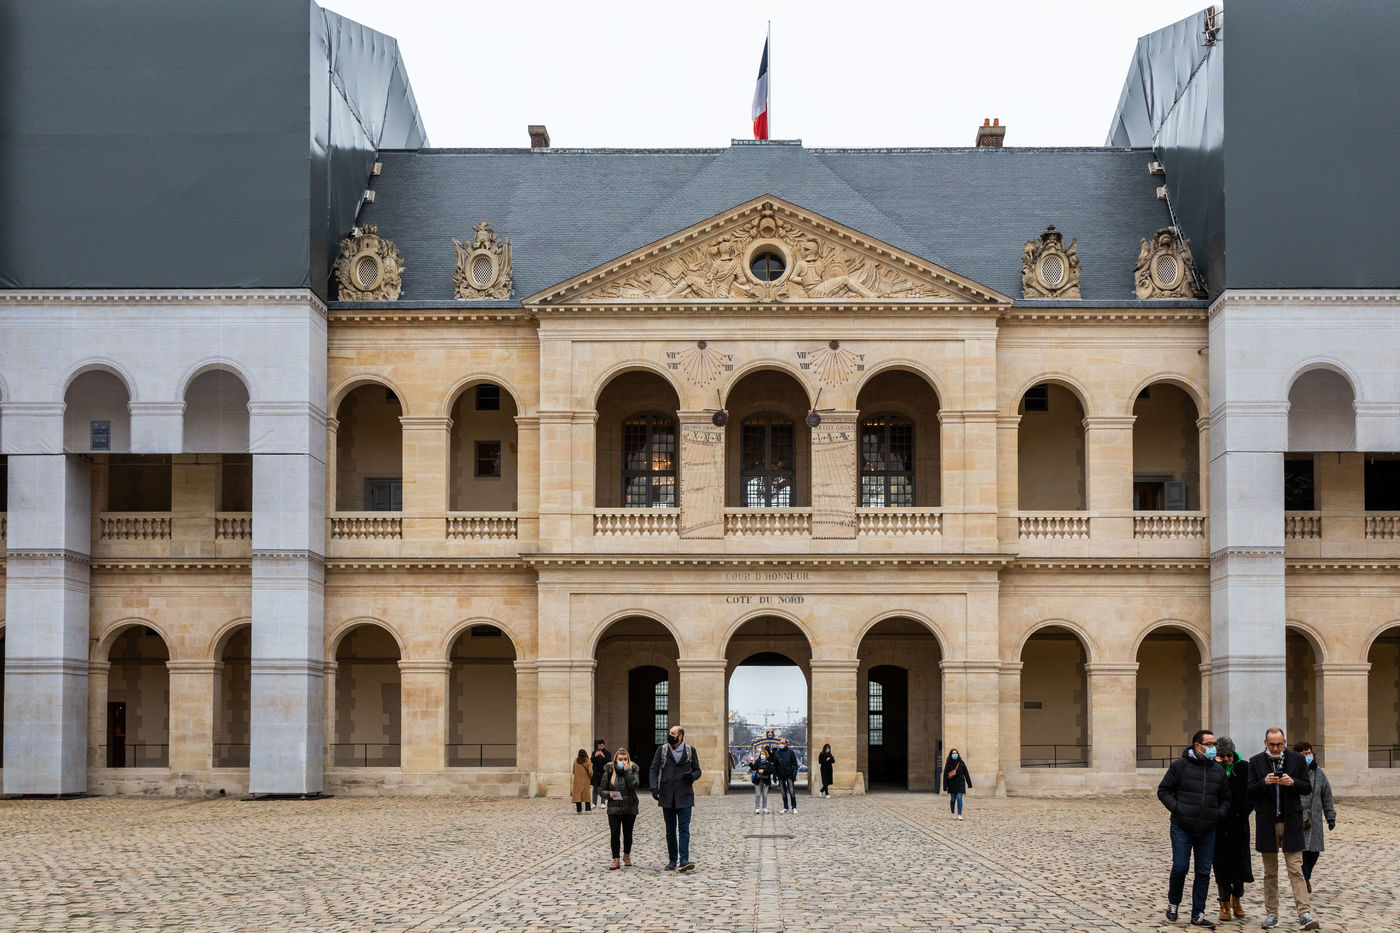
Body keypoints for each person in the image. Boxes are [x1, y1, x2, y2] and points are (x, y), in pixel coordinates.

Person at [1157, 729, 1230, 928]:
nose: (1213, 748)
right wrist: (1177, 808)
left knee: (1203, 872)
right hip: (1182, 826)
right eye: (1209, 744)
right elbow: (1164, 791)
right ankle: (1173, 903)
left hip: (1207, 828)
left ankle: (1198, 912)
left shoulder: (1218, 771)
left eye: (1214, 744)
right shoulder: (1180, 766)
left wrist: (1218, 814)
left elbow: (1226, 798)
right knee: (1180, 866)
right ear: (1198, 746)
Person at [1247, 727, 1319, 930]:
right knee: (1270, 873)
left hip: (1292, 823)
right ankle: (1271, 913)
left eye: (1279, 744)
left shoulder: (1297, 760)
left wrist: (1292, 782)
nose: (1276, 748)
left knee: (1296, 870)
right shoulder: (1256, 762)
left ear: (1285, 742)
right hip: (1267, 823)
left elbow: (1307, 786)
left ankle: (1304, 913)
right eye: (1272, 745)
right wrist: (1264, 782)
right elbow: (1249, 790)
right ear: (1265, 743)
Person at [1211, 736, 1254, 923]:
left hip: (1238, 823)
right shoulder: (1213, 769)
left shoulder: (1244, 767)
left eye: (1229, 755)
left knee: (1240, 864)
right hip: (1220, 825)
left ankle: (1237, 898)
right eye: (1222, 756)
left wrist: (1245, 810)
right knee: (1221, 865)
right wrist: (1217, 766)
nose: (1226, 759)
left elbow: (1251, 793)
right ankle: (1224, 902)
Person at [649, 724, 701, 872]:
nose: (670, 735)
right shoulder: (662, 750)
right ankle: (672, 860)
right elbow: (654, 768)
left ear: (680, 736)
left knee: (684, 828)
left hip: (685, 795)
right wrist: (653, 787)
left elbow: (698, 771)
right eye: (670, 733)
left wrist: (692, 776)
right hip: (667, 795)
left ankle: (684, 859)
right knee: (670, 830)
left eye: (673, 733)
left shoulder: (690, 751)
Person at [1293, 741, 1335, 895]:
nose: (1307, 756)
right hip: (1298, 818)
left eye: (1309, 753)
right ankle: (1303, 881)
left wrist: (1330, 816)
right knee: (1302, 852)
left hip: (1315, 819)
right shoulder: (1293, 772)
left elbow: (1327, 795)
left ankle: (1307, 877)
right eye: (1304, 754)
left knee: (1314, 853)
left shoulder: (1319, 773)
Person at [602, 746, 640, 870]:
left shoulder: (633, 769)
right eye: (620, 759)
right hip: (614, 808)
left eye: (625, 759)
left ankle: (626, 855)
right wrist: (609, 795)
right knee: (615, 834)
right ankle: (616, 859)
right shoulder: (609, 771)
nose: (623, 762)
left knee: (628, 834)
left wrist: (627, 771)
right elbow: (602, 790)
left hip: (629, 807)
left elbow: (634, 785)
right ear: (615, 760)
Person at [943, 748, 972, 820]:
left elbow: (966, 773)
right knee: (953, 799)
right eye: (953, 753)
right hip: (951, 784)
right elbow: (945, 775)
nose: (955, 754)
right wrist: (945, 786)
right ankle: (953, 812)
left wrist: (969, 784)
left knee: (959, 798)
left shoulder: (961, 763)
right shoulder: (948, 763)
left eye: (956, 753)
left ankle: (959, 814)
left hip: (960, 784)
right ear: (951, 755)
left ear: (958, 754)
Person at [772, 737, 799, 813]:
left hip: (789, 774)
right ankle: (785, 807)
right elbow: (775, 765)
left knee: (792, 792)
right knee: (783, 793)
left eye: (782, 743)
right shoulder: (777, 753)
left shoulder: (790, 752)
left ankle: (794, 807)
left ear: (786, 744)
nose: (781, 744)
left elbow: (795, 764)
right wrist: (774, 775)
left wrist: (794, 774)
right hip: (781, 775)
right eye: (780, 743)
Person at [750, 746, 774, 813]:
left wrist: (764, 771)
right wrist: (750, 763)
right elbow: (754, 768)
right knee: (758, 794)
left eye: (763, 754)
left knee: (765, 795)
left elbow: (771, 771)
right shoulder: (758, 762)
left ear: (766, 755)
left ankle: (764, 808)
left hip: (766, 780)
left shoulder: (769, 763)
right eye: (761, 754)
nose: (762, 755)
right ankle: (757, 808)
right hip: (758, 780)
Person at [591, 738, 610, 810]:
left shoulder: (607, 753)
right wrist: (595, 756)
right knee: (595, 788)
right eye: (599, 746)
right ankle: (594, 803)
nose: (600, 747)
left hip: (603, 773)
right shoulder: (594, 752)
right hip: (596, 773)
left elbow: (609, 761)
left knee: (603, 788)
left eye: (601, 746)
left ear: (604, 745)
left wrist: (603, 756)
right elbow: (591, 760)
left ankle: (603, 802)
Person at [571, 748, 593, 814]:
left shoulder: (576, 761)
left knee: (578, 796)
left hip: (577, 781)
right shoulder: (588, 761)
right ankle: (588, 810)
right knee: (587, 795)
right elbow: (590, 772)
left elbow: (573, 771)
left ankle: (579, 810)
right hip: (585, 781)